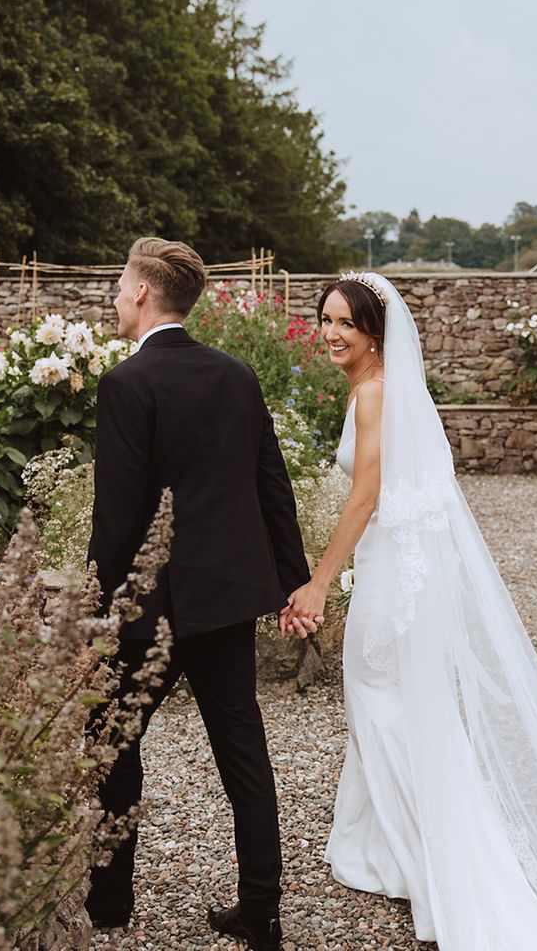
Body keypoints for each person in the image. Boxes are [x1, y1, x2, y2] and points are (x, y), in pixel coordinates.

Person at [281, 272, 537, 950]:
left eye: (346, 322)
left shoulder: (374, 395)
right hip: (400, 566)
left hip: (392, 574)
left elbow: (366, 497)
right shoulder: (389, 392)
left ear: (376, 332)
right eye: (325, 320)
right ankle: (386, 848)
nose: (332, 333)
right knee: (398, 706)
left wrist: (318, 581)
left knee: (377, 703)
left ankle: (436, 864)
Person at [86, 237, 314, 951]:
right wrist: (290, 581)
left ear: (145, 294)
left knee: (113, 741)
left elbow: (118, 519)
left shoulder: (127, 386)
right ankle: (263, 910)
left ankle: (110, 903)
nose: (117, 297)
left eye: (123, 285)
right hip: (224, 599)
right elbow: (270, 484)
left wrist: (95, 610)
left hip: (148, 610)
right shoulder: (235, 375)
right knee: (242, 750)